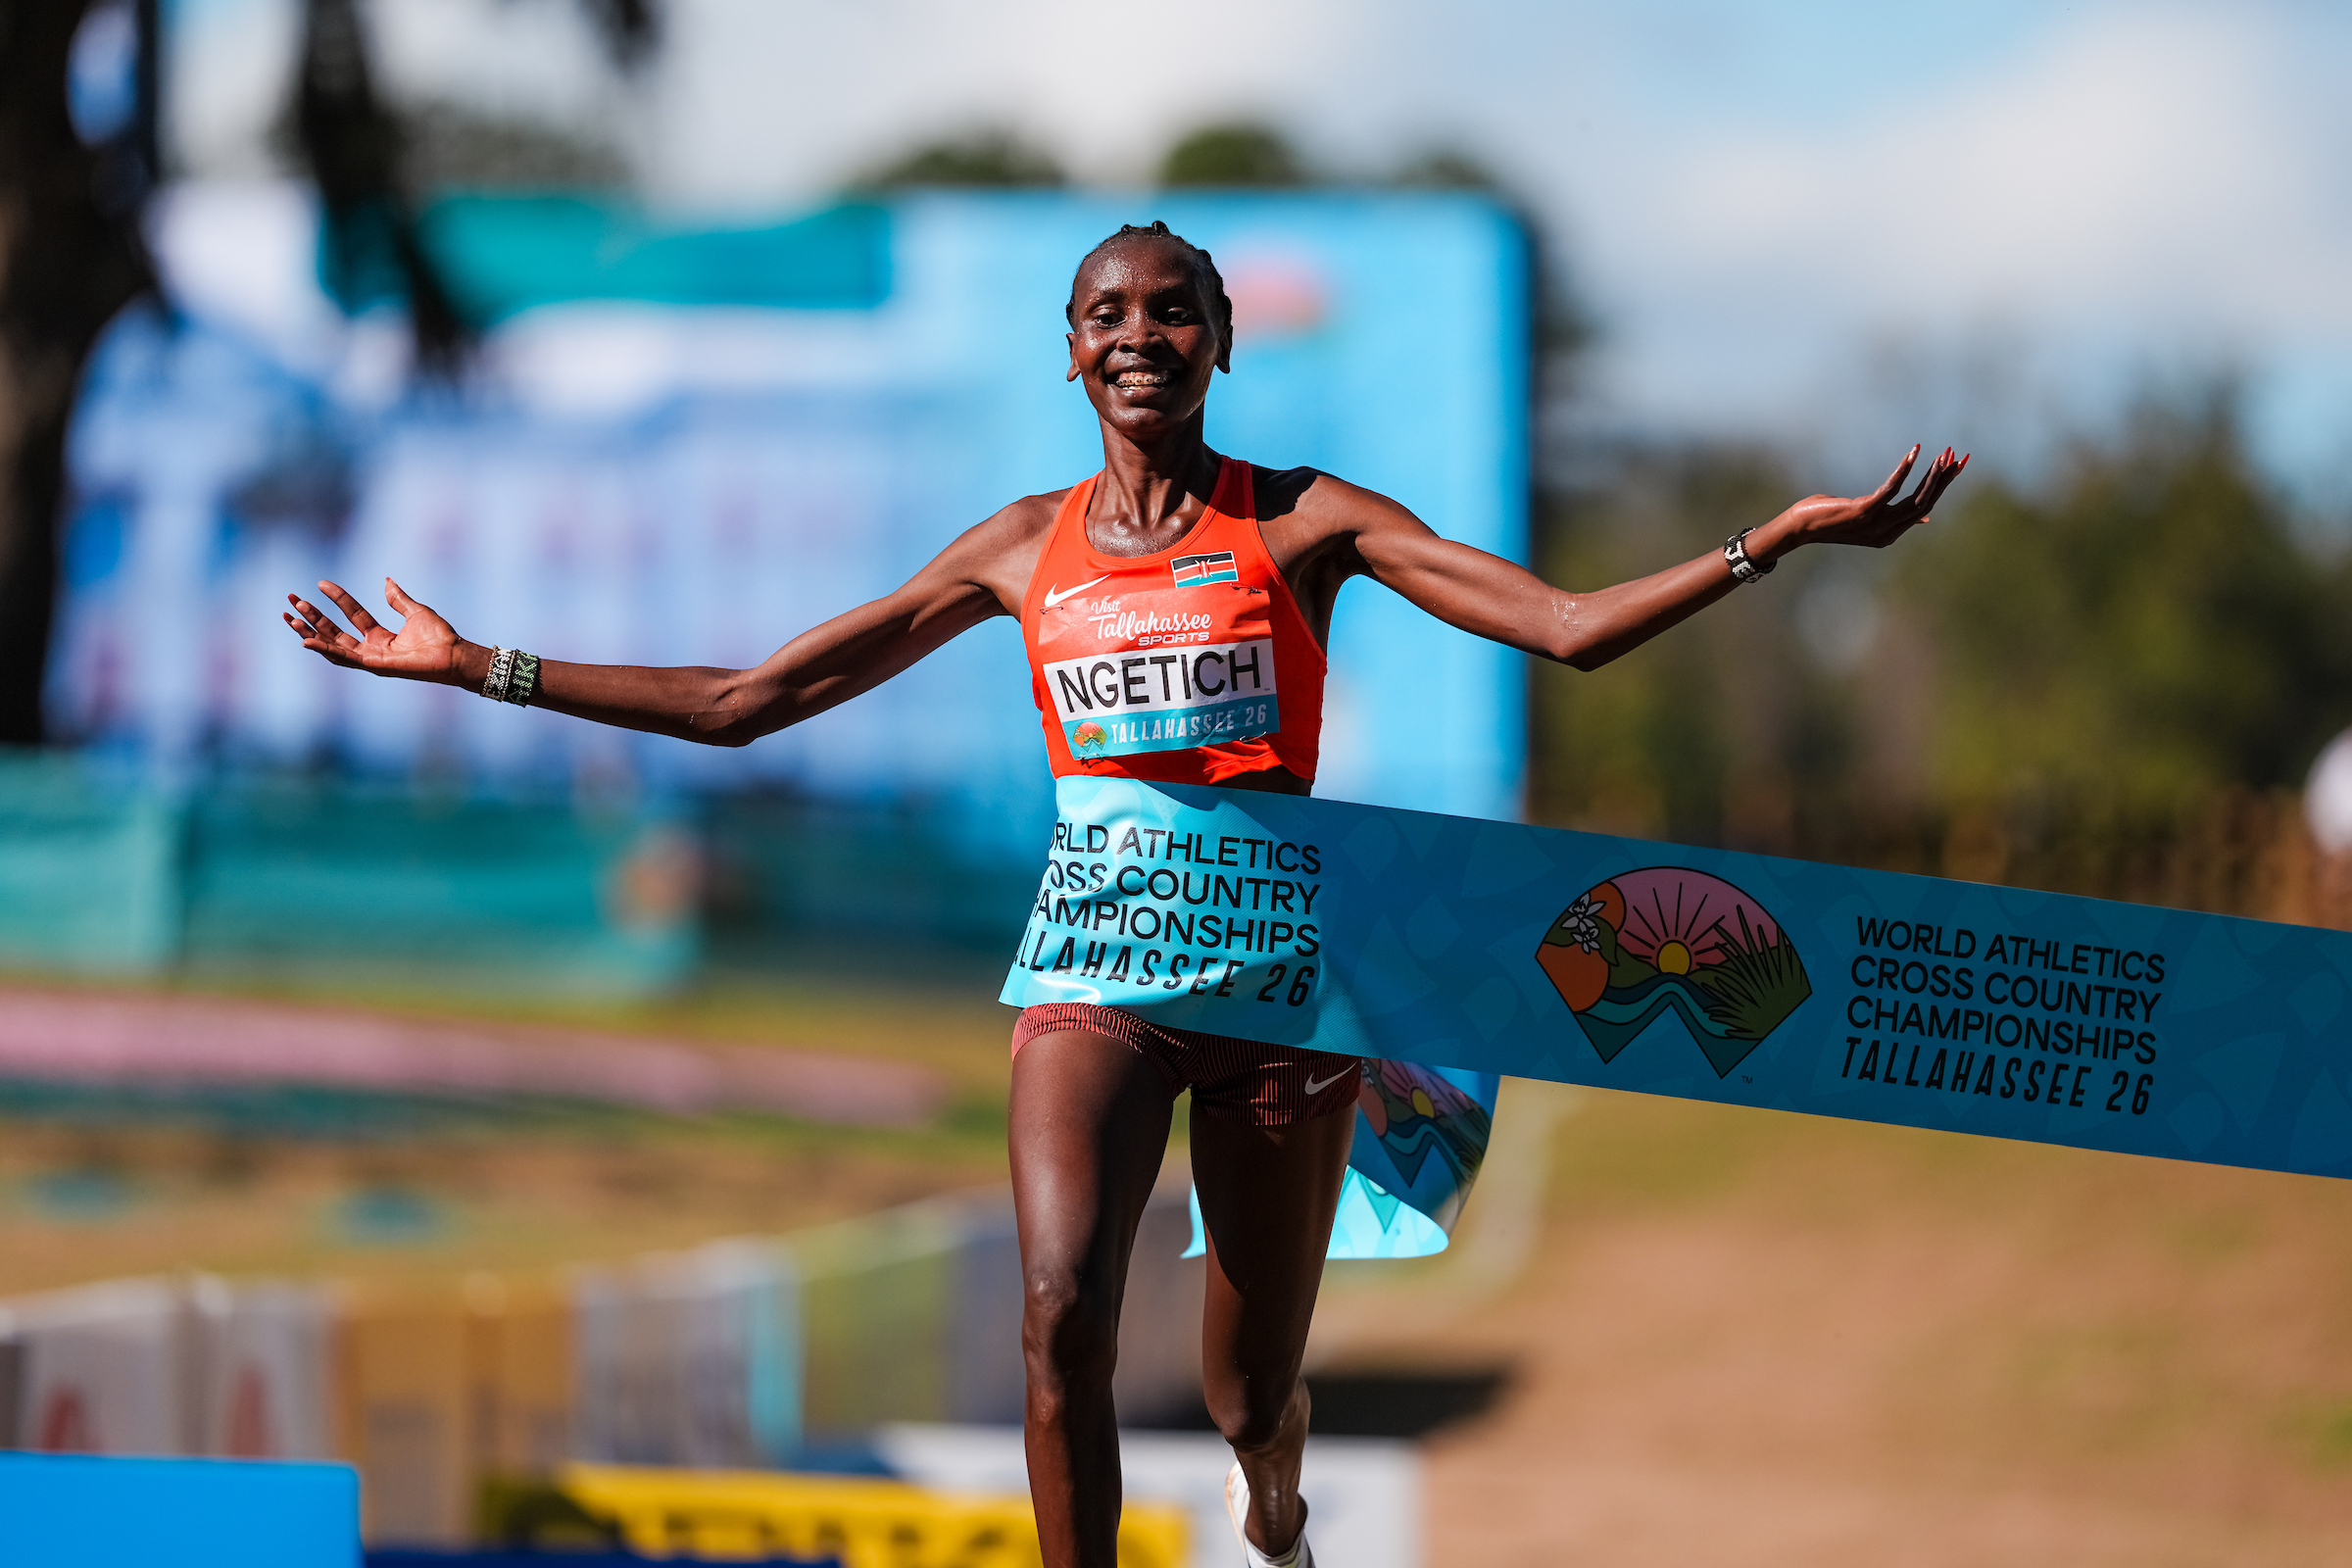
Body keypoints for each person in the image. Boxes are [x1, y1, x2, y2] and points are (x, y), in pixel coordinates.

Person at [284, 220, 1967, 1568]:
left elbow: (1569, 628)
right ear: (1073, 351)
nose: (1141, 334)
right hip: (1093, 972)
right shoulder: (1021, 547)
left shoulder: (1303, 520)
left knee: (1248, 1391)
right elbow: (750, 699)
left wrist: (1770, 544)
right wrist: (480, 665)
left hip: (1281, 994)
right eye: (1109, 313)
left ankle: (1276, 1505)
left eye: (1174, 311)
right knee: (1059, 1315)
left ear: (1222, 342)